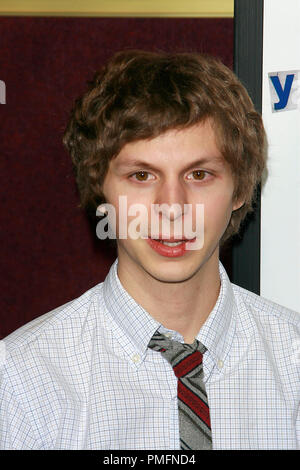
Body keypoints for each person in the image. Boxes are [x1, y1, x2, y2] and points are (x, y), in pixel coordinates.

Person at [0, 50, 299, 450]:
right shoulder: (23, 379)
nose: (172, 206)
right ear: (99, 189)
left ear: (240, 189)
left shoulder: (294, 364)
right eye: (142, 175)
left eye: (199, 174)